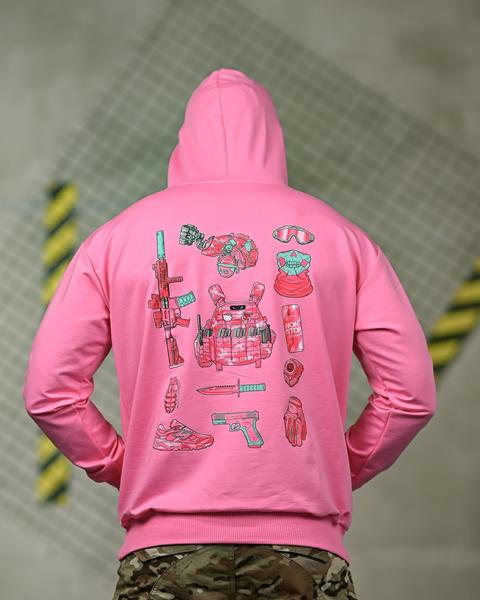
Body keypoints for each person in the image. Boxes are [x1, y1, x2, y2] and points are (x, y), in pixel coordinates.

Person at [22, 67, 437, 599]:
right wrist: (336, 467)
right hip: (304, 552)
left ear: (186, 138)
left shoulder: (113, 241)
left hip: (163, 554)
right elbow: (410, 395)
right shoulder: (344, 239)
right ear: (272, 137)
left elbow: (50, 392)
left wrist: (126, 465)